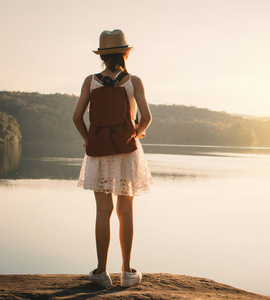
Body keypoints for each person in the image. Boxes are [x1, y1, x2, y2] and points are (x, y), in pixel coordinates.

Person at [73, 29, 153, 288]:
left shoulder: (90, 81)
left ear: (102, 56)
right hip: (126, 151)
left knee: (102, 212)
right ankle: (128, 272)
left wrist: (88, 140)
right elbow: (147, 117)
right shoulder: (133, 81)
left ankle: (100, 272)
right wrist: (136, 135)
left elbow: (76, 117)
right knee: (126, 211)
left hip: (99, 152)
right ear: (126, 53)